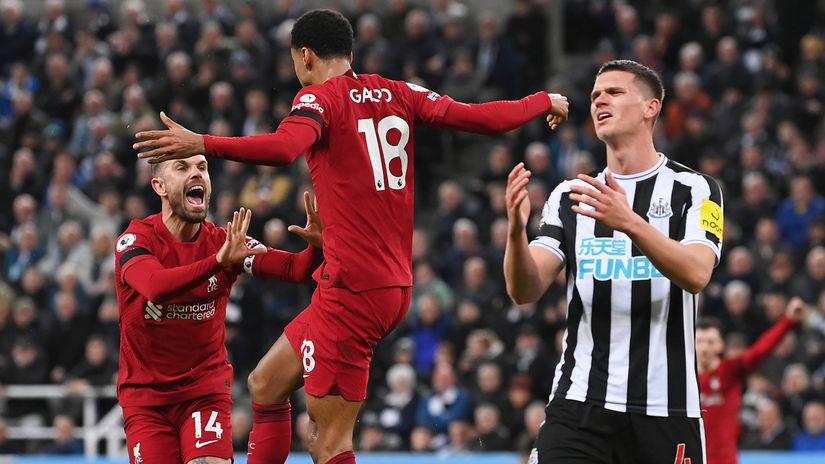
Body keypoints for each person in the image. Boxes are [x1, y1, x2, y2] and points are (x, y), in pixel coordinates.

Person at [132, 9, 568, 464]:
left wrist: (204, 142)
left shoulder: (318, 100)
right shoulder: (398, 92)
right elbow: (480, 117)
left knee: (327, 442)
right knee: (266, 382)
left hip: (353, 291)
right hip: (383, 282)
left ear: (305, 56)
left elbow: (283, 149)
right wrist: (544, 100)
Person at [504, 59, 723, 463]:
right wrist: (516, 235)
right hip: (580, 405)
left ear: (650, 108)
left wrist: (631, 223)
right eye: (594, 96)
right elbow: (524, 289)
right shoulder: (571, 195)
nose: (599, 99)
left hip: (666, 408)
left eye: (614, 92)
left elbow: (696, 273)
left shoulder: (696, 189)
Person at [114, 154, 323, 464]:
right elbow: (156, 286)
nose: (196, 173)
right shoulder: (135, 240)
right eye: (182, 168)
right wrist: (218, 262)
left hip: (204, 390)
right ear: (159, 185)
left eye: (203, 167)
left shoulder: (225, 242)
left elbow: (297, 270)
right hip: (147, 400)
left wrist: (319, 246)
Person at [696, 297, 806, 464]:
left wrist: (788, 320)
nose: (704, 348)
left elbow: (761, 349)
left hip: (724, 460)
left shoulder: (731, 370)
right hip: (690, 457)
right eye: (700, 341)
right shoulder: (683, 377)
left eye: (710, 342)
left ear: (721, 345)